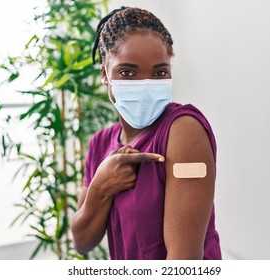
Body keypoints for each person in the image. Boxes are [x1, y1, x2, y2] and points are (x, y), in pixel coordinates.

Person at [70, 6, 221, 260]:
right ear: (105, 74)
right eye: (127, 72)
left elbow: (184, 263)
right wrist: (100, 186)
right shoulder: (100, 144)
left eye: (160, 72)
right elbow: (82, 241)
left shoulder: (184, 130)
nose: (146, 85)